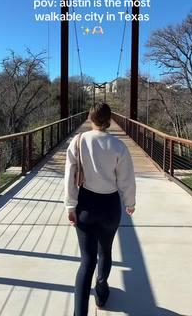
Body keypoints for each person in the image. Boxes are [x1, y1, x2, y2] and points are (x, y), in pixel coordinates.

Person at [64, 102, 136, 316]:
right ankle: (102, 292)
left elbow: (69, 177)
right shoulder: (119, 146)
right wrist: (130, 203)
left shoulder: (78, 141)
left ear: (89, 118)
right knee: (105, 250)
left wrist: (70, 205)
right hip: (110, 206)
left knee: (87, 260)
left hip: (86, 204)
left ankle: (80, 313)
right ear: (109, 119)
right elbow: (127, 179)